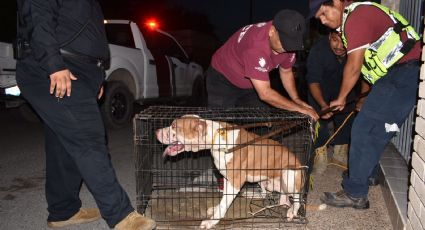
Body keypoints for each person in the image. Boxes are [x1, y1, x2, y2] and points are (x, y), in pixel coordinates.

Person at [15, 0, 155, 229]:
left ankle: (63, 211)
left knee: (62, 144)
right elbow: (37, 15)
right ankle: (120, 215)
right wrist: (53, 64)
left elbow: (90, 33)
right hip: (55, 66)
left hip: (83, 70)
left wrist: (98, 76)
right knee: (89, 137)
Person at [310, 0, 421, 209]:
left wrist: (341, 97)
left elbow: (354, 66)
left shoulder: (357, 17)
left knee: (362, 129)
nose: (323, 21)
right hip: (398, 74)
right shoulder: (354, 17)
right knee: (376, 130)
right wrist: (361, 97)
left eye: (324, 13)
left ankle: (355, 193)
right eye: (319, 19)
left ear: (336, 2)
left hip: (403, 72)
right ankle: (364, 176)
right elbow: (369, 66)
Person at [206, 9, 319, 121]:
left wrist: (296, 99)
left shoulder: (289, 43)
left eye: (291, 44)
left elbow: (286, 71)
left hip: (251, 84)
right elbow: (265, 93)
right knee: (220, 125)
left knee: (262, 122)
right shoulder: (255, 45)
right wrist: (298, 109)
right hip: (222, 79)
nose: (286, 49)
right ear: (272, 31)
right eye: (284, 43)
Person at [306, 30, 357, 175]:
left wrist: (362, 98)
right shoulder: (318, 51)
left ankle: (339, 153)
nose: (339, 46)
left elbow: (363, 71)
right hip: (320, 89)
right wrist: (323, 105)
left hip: (344, 86)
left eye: (344, 42)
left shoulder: (357, 49)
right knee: (318, 122)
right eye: (335, 40)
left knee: (347, 117)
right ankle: (320, 156)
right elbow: (313, 81)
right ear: (329, 36)